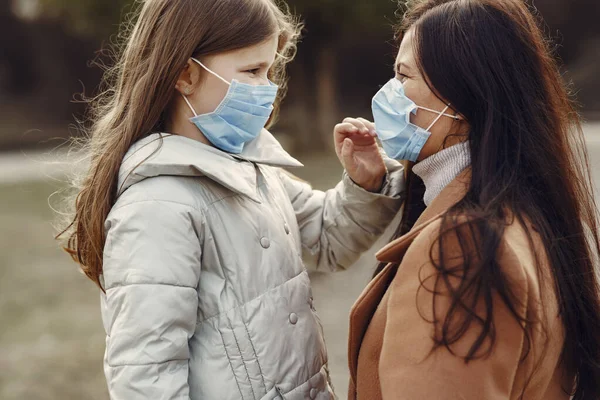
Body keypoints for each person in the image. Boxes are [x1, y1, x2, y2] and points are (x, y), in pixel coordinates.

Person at [56, 0, 405, 399]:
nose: (267, 87)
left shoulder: (252, 169)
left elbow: (328, 239)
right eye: (252, 71)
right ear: (185, 74)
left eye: (269, 70)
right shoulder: (157, 206)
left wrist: (365, 183)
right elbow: (146, 375)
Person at [348, 0, 600, 399]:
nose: (390, 93)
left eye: (403, 75)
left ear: (463, 97)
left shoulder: (461, 249)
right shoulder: (525, 214)